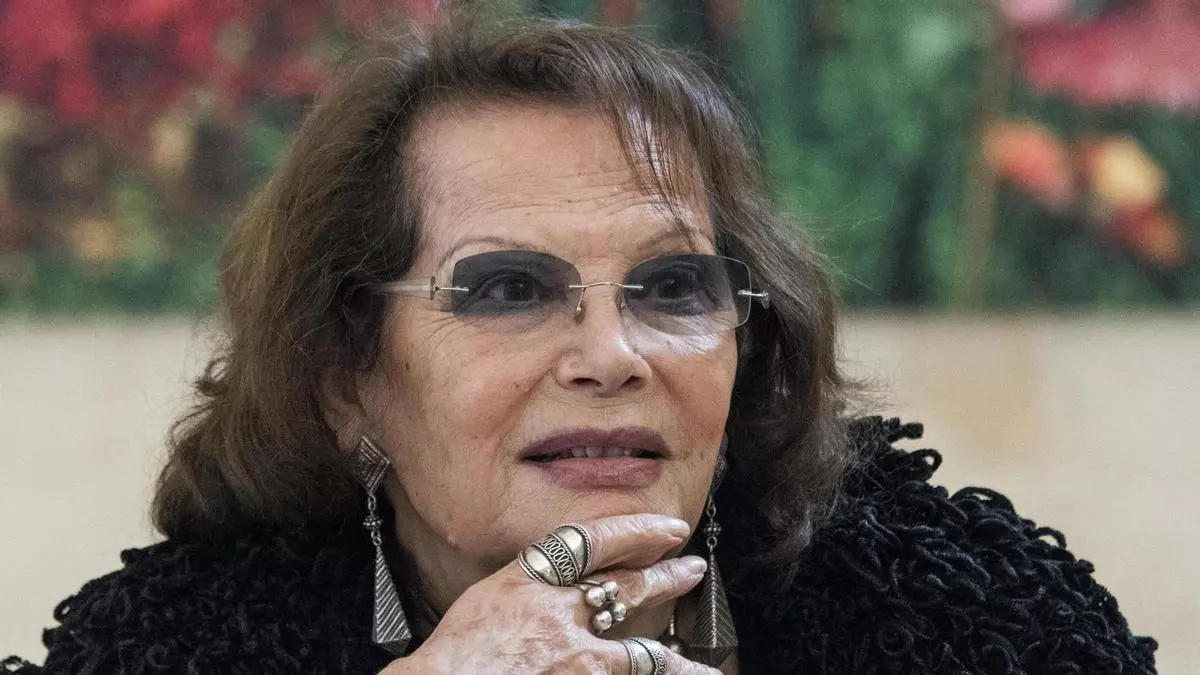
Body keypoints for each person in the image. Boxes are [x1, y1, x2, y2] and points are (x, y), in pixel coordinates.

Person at [4, 15, 1156, 675]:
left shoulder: (968, 610)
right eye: (509, 289)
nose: (612, 353)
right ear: (348, 378)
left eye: (673, 286)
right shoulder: (171, 646)